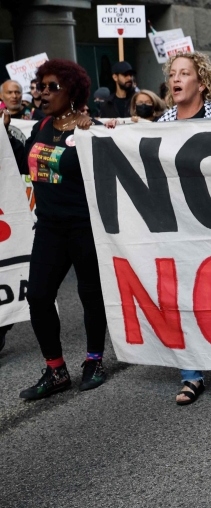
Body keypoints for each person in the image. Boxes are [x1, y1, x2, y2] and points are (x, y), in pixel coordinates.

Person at [12, 59, 107, 400]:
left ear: (72, 92)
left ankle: (94, 361)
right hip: (50, 227)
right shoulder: (40, 126)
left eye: (53, 87)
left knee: (90, 294)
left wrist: (89, 132)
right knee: (37, 295)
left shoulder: (87, 127)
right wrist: (7, 128)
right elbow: (24, 164)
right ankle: (56, 370)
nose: (43, 93)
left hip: (84, 226)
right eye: (41, 86)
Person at [155, 52, 211, 404]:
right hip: (178, 224)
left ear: (201, 83)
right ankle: (191, 375)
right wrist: (113, 133)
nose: (176, 79)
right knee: (179, 296)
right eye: (173, 73)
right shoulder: (163, 121)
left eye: (184, 73)